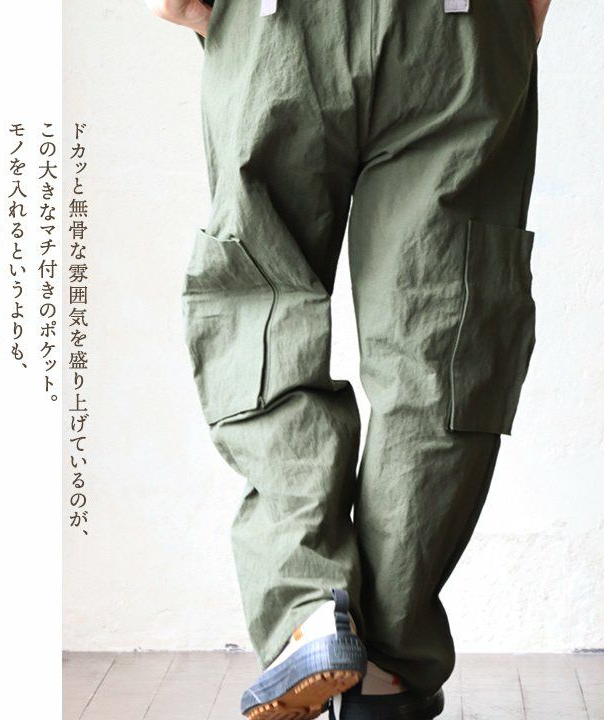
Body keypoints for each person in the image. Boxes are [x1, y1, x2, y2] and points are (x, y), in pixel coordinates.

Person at [145, 1, 552, 718]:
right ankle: (385, 673)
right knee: (443, 329)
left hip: (277, 21)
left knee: (262, 306)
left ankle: (311, 612)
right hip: (460, 27)